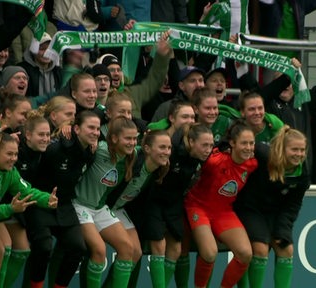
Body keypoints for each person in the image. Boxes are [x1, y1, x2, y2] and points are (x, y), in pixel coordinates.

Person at [129, 124, 214, 288]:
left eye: (210, 145)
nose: (208, 149)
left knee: (176, 250)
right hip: (153, 201)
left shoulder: (201, 159)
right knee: (159, 246)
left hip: (174, 204)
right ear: (191, 141)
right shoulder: (171, 151)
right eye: (204, 145)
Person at [25, 110, 100, 288]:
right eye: (90, 127)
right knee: (44, 248)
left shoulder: (90, 151)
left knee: (78, 248)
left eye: (97, 129)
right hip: (40, 203)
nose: (95, 132)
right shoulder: (54, 149)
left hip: (65, 205)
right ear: (77, 129)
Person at [0, 133, 58, 287]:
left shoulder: (10, 172)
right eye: (9, 154)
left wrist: (47, 199)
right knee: (1, 250)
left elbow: (27, 191)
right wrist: (11, 208)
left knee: (20, 250)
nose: (14, 158)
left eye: (16, 154)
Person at [185, 120, 257, 288]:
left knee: (245, 254)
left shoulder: (252, 164)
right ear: (232, 143)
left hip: (223, 212)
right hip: (198, 207)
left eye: (251, 143)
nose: (248, 147)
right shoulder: (214, 161)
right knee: (210, 253)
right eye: (244, 143)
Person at [235, 126, 309, 288]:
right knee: (260, 249)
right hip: (250, 208)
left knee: (287, 250)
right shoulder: (263, 154)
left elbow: (292, 206)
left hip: (275, 214)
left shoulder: (302, 173)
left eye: (302, 150)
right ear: (282, 148)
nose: (299, 154)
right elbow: (241, 146)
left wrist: (282, 230)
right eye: (294, 149)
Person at [73, 116, 138, 287]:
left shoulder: (131, 155)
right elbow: (78, 139)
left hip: (100, 208)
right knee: (99, 250)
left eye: (135, 138)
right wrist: (66, 127)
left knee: (127, 248)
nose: (132, 142)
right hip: (80, 205)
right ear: (114, 138)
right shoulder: (100, 148)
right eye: (128, 138)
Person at [106, 129, 173, 287]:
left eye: (169, 148)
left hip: (118, 209)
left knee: (136, 252)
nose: (167, 152)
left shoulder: (159, 169)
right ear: (147, 149)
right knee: (127, 249)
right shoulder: (132, 160)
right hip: (102, 207)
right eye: (162, 147)